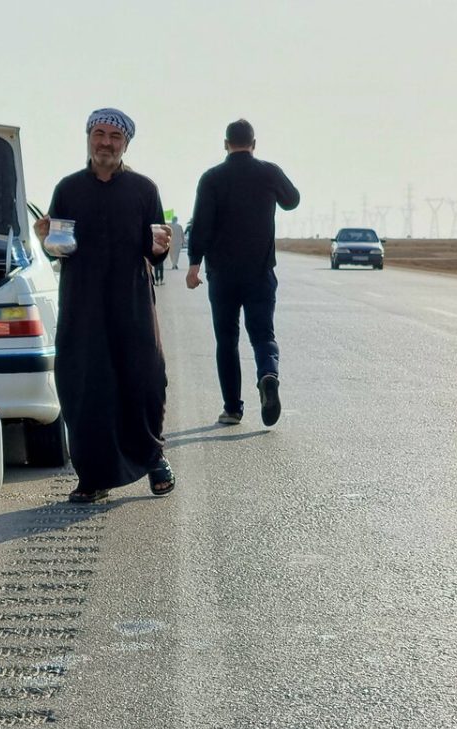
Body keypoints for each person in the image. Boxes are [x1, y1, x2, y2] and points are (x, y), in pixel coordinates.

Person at [35, 108, 174, 503]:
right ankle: (92, 476)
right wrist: (46, 239)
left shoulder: (144, 190)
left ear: (126, 143)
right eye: (99, 134)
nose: (106, 143)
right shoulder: (68, 189)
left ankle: (153, 457)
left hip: (131, 302)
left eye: (115, 136)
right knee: (86, 386)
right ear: (88, 138)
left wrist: (161, 248)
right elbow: (61, 248)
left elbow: (155, 247)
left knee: (145, 380)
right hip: (84, 305)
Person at [186, 119, 300, 426]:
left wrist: (193, 266)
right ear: (254, 143)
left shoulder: (211, 178)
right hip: (260, 272)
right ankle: (268, 375)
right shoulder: (269, 172)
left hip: (222, 275)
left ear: (225, 144)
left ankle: (233, 408)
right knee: (263, 335)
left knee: (227, 340)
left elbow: (201, 224)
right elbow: (292, 200)